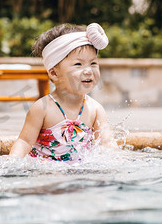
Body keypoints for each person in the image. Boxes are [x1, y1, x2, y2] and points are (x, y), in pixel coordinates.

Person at [9, 23, 117, 161]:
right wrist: (12, 161)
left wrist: (118, 159)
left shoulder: (95, 109)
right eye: (78, 64)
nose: (88, 70)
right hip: (47, 173)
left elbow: (106, 142)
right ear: (54, 73)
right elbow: (25, 141)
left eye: (93, 63)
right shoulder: (42, 108)